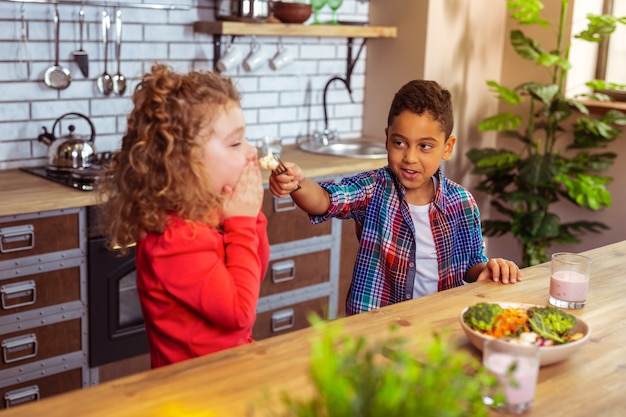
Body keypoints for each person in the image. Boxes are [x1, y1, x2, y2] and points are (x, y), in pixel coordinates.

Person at [269, 80, 521, 316]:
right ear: (387, 139)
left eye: (424, 146)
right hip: (377, 326)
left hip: (436, 324)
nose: (410, 157)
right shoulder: (373, 188)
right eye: (400, 143)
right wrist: (297, 184)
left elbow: (472, 263)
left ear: (447, 147)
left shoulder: (461, 202)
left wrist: (487, 269)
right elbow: (326, 199)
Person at [98, 64, 269, 367]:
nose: (251, 150)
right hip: (195, 388)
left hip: (231, 370)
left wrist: (250, 214)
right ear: (183, 162)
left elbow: (252, 271)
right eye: (235, 142)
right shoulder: (175, 239)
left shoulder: (206, 213)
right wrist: (241, 222)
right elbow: (240, 314)